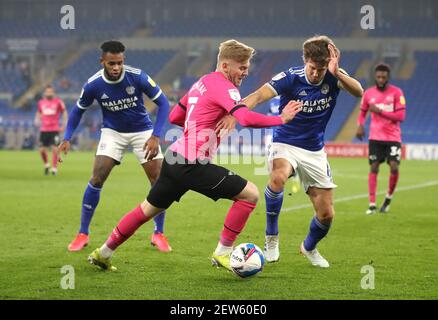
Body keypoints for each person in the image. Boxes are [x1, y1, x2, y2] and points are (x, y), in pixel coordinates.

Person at [86, 39, 303, 271]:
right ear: (226, 65)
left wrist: (202, 121)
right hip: (192, 163)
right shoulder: (225, 87)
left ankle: (104, 252)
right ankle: (223, 253)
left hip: (175, 158)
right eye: (242, 67)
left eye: (247, 67)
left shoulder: (202, 82)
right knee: (250, 195)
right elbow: (247, 118)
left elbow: (175, 117)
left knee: (146, 210)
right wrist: (282, 119)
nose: (246, 72)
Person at [232, 35, 363, 267]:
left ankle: (309, 248)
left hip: (314, 150)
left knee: (327, 215)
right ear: (305, 61)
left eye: (321, 69)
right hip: (285, 142)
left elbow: (359, 92)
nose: (316, 74)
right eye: (313, 68)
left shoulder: (333, 76)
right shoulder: (290, 78)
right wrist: (236, 111)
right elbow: (259, 95)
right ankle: (271, 238)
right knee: (278, 176)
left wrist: (337, 71)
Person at [58, 40, 172, 253]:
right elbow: (77, 111)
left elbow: (164, 103)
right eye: (111, 63)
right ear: (102, 61)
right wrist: (67, 137)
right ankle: (83, 233)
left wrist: (156, 136)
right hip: (113, 132)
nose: (116, 67)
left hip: (142, 131)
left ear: (124, 60)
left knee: (159, 180)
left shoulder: (138, 76)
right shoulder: (93, 84)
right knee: (97, 177)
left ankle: (158, 233)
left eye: (119, 63)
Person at [356, 63, 406, 215]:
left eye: (383, 77)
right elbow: (363, 112)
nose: (381, 79)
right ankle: (372, 204)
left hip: (393, 137)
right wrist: (360, 125)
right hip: (375, 137)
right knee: (374, 167)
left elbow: (401, 116)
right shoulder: (369, 93)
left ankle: (388, 198)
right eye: (378, 77)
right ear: (375, 77)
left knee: (394, 167)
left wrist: (380, 111)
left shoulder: (397, 93)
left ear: (388, 77)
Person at [34, 85, 68, 175]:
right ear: (45, 93)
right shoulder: (41, 102)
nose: (49, 93)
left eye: (50, 91)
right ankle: (46, 165)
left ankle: (54, 168)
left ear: (53, 92)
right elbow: (39, 112)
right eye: (47, 91)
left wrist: (64, 124)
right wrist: (37, 119)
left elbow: (64, 112)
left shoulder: (58, 102)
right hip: (44, 129)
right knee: (41, 150)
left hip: (54, 129)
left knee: (55, 149)